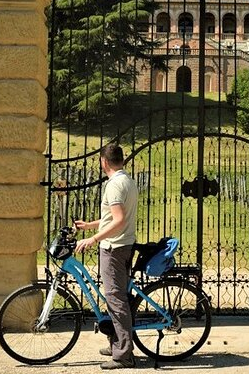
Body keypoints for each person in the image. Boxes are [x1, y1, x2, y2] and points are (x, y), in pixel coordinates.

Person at [75, 143, 138, 370]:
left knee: (115, 299)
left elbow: (119, 220)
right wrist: (90, 226)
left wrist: (93, 239)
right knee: (116, 298)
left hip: (114, 248)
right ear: (121, 160)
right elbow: (114, 218)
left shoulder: (114, 185)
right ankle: (117, 344)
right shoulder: (127, 181)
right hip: (122, 245)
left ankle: (123, 355)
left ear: (104, 161)